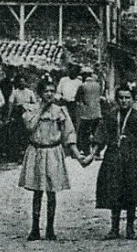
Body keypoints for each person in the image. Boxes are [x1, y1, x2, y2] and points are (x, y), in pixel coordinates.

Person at [19, 77, 92, 240]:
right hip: (37, 152)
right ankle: (35, 228)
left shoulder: (60, 111)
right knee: (37, 191)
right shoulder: (31, 110)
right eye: (46, 91)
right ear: (40, 93)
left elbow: (68, 133)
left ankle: (50, 229)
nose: (50, 94)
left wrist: (78, 155)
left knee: (52, 192)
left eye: (52, 91)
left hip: (52, 152)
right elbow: (30, 127)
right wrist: (41, 110)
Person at [94, 84, 137, 240]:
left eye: (127, 98)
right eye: (121, 98)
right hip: (113, 158)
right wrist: (93, 153)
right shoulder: (110, 116)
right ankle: (114, 228)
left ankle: (130, 228)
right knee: (114, 192)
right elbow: (101, 137)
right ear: (116, 99)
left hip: (132, 159)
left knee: (131, 193)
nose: (124, 101)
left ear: (133, 99)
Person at [8, 74, 37, 161]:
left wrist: (28, 107)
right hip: (18, 114)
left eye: (23, 81)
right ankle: (18, 155)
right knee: (18, 134)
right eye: (20, 82)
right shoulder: (15, 92)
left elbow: (35, 103)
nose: (22, 83)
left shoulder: (29, 92)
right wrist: (10, 115)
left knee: (27, 134)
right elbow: (11, 103)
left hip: (28, 114)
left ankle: (27, 154)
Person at [76, 67, 102, 155]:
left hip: (86, 114)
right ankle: (97, 152)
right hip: (97, 112)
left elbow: (77, 98)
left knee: (84, 133)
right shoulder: (98, 85)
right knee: (96, 133)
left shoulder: (82, 86)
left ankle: (87, 151)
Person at [56, 64, 82, 134]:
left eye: (75, 72)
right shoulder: (63, 80)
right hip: (63, 102)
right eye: (72, 71)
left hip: (73, 104)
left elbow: (80, 95)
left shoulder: (79, 83)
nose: (73, 73)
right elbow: (58, 92)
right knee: (61, 119)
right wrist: (60, 98)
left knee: (73, 121)